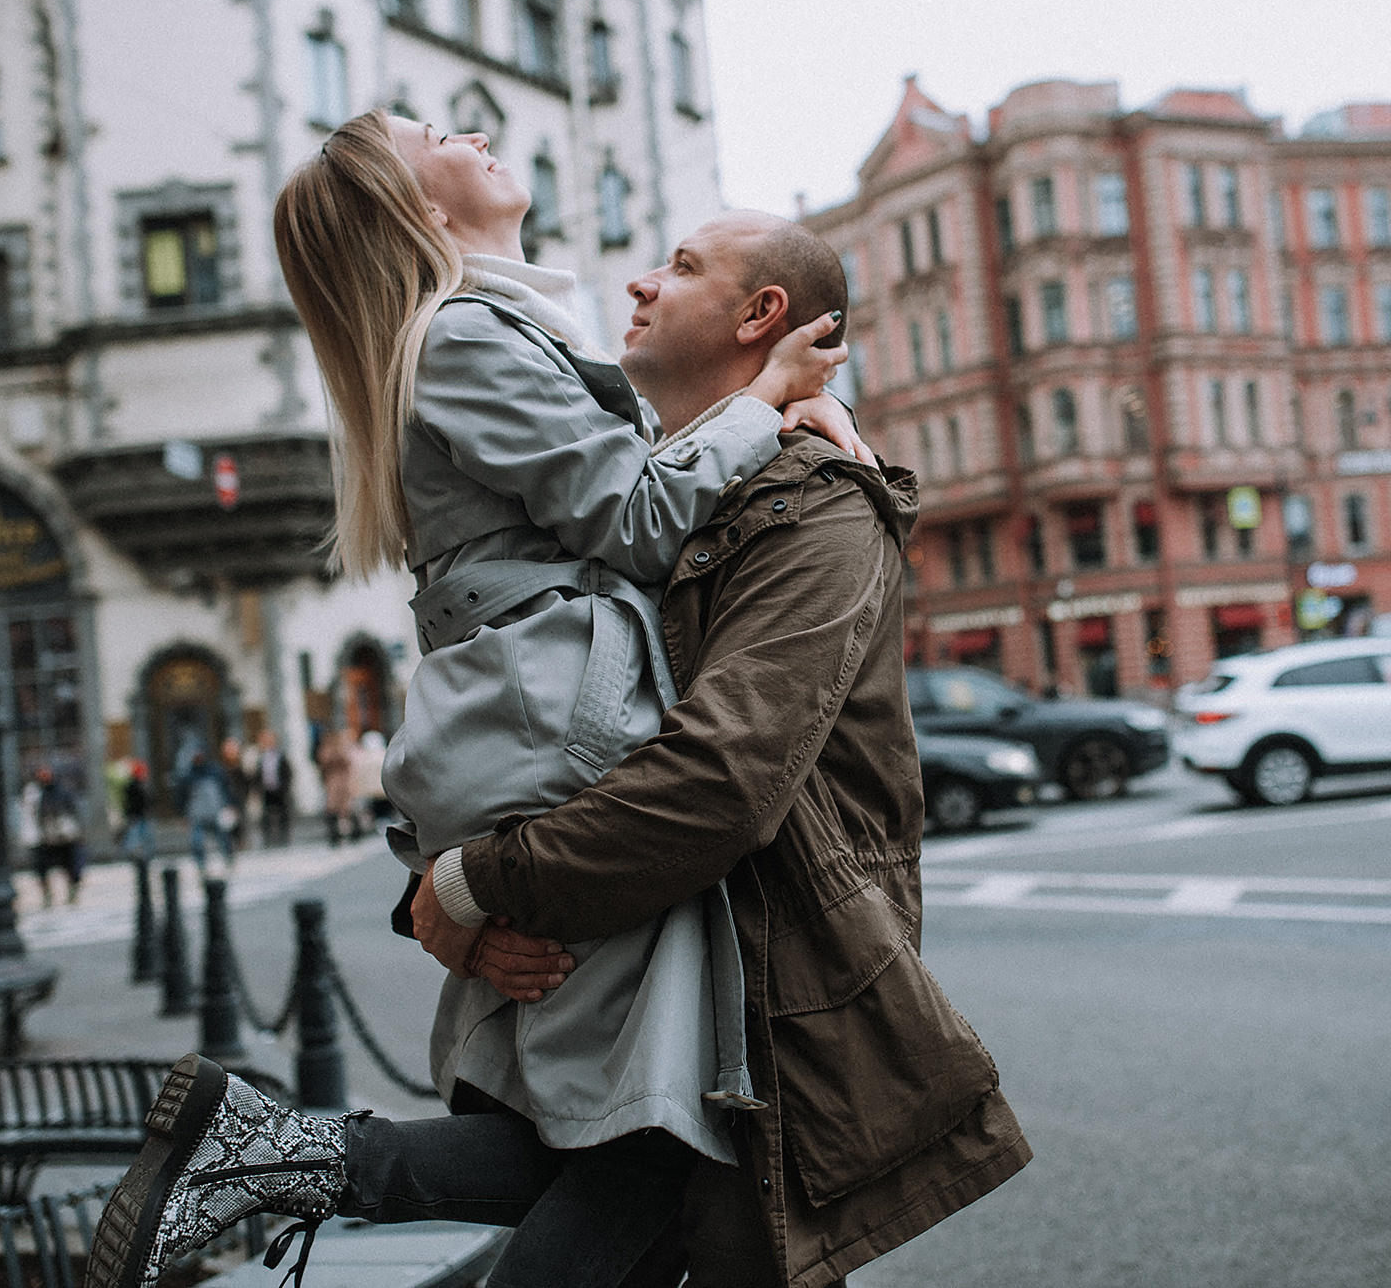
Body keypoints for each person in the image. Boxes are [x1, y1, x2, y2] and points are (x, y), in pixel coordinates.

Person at [88, 111, 862, 1288]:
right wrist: (764, 405)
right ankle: (269, 1153)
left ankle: (275, 1154)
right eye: (440, 131)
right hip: (574, 734)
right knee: (656, 1132)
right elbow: (640, 520)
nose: (481, 128)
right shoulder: (464, 334)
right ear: (420, 209)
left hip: (546, 724)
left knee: (617, 1124)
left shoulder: (485, 330)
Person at [408, 213, 1031, 1283]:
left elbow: (717, 779)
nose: (640, 284)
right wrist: (442, 892)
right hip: (646, 990)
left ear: (761, 316)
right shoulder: (650, 504)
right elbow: (539, 719)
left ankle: (285, 1158)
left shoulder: (817, 504)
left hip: (766, 1000)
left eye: (682, 267)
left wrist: (473, 883)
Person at [23, 765, 86, 907]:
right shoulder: (37, 793)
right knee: (42, 867)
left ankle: (71, 891)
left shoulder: (63, 791)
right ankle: (48, 895)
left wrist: (77, 830)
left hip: (65, 837)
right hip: (47, 837)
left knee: (71, 864)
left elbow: (73, 811)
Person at [181, 749, 235, 875]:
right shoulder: (188, 775)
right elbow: (182, 797)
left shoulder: (215, 772)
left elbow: (226, 789)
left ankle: (229, 860)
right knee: (197, 842)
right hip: (197, 814)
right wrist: (183, 814)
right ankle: (201, 865)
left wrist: (230, 805)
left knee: (223, 839)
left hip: (215, 811)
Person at [315, 728, 355, 847]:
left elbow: (347, 762)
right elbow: (322, 765)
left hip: (342, 783)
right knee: (332, 808)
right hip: (331, 783)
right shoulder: (325, 750)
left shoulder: (340, 749)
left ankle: (351, 832)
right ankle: (335, 834)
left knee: (345, 809)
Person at [252, 730, 291, 847]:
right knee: (266, 817)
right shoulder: (261, 757)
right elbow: (257, 775)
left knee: (283, 814)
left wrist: (284, 786)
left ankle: (283, 838)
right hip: (266, 790)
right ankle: (268, 840)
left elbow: (287, 773)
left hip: (279, 789)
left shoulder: (280, 756)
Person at [116, 759, 154, 861]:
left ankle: (143, 855)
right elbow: (134, 803)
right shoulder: (133, 787)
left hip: (139, 817)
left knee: (143, 838)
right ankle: (139, 855)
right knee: (136, 839)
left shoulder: (136, 786)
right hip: (136, 817)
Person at [219, 737, 253, 851]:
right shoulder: (222, 769)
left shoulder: (240, 768)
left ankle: (241, 844)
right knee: (228, 826)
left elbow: (246, 783)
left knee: (241, 824)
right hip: (226, 801)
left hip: (239, 800)